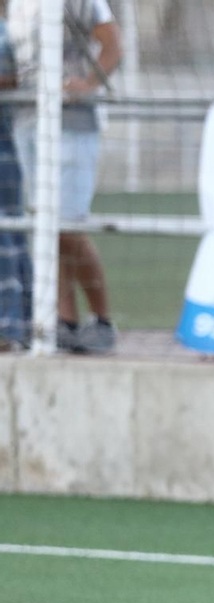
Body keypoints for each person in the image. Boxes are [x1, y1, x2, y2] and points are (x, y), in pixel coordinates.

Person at [2, 0, 119, 354]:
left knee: (68, 224)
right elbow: (23, 67)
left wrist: (88, 84)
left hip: (72, 121)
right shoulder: (17, 5)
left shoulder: (81, 2)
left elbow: (112, 45)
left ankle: (102, 320)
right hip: (28, 119)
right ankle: (64, 322)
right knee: (46, 224)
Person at [0, 16, 31, 353]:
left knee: (8, 232)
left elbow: (17, 78)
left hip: (5, 146)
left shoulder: (6, 33)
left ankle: (11, 326)